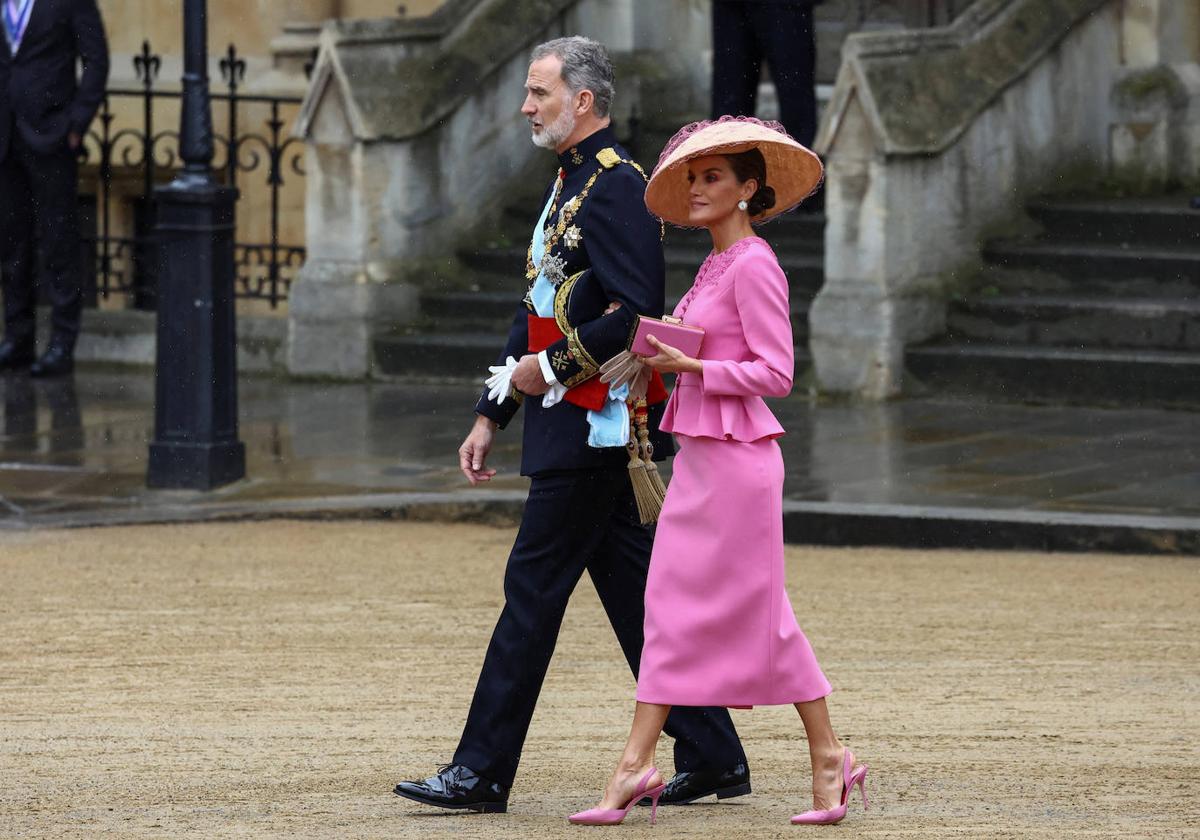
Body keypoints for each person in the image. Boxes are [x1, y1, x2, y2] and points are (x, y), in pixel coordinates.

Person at [392, 37, 750, 816]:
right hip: (569, 427)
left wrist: (547, 374)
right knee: (637, 600)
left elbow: (633, 315)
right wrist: (495, 410)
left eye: (539, 93)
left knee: (530, 595)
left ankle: (481, 771)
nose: (527, 106)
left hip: (594, 427)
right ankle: (715, 753)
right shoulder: (568, 185)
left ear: (582, 101)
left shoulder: (618, 188)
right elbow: (538, 311)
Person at [567, 116, 869, 827]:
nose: (698, 189)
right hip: (705, 461)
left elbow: (777, 373)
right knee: (674, 609)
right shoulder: (715, 263)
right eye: (693, 178)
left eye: (714, 178)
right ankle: (650, 764)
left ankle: (821, 757)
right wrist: (658, 354)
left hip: (738, 466)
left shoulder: (756, 263)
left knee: (745, 616)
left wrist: (690, 363)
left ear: (748, 189)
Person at [0, 0, 108, 378]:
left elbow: (96, 60)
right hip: (6, 134)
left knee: (58, 239)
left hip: (50, 134)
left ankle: (62, 342)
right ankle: (18, 337)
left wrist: (76, 123)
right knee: (12, 243)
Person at [711, 0, 822, 147]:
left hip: (785, 5)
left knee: (795, 97)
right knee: (729, 104)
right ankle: (725, 162)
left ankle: (801, 165)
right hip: (731, 7)